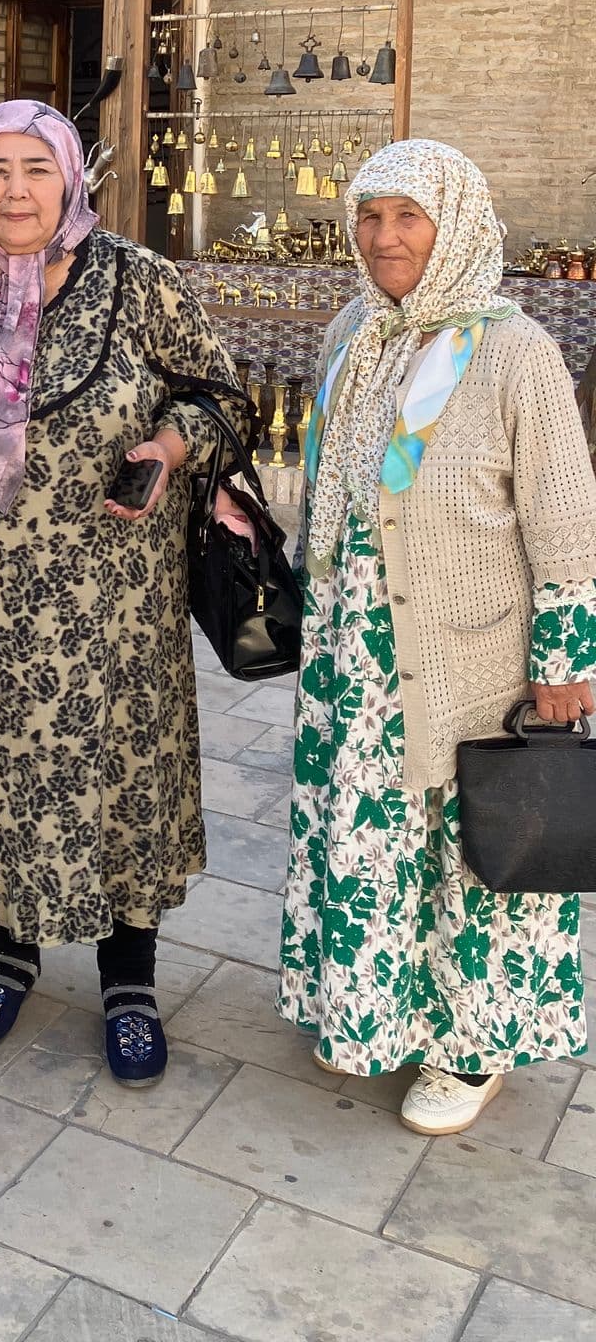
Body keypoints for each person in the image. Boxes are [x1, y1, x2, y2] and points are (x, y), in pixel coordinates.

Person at [0, 99, 252, 1086]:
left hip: (113, 596)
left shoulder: (138, 281)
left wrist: (168, 444)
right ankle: (11, 947)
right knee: (7, 760)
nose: (16, 189)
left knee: (116, 772)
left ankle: (128, 974)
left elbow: (223, 399)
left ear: (70, 179)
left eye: (37, 168)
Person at [279, 139, 596, 1135]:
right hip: (355, 664)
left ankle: (472, 1048)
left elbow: (565, 521)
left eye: (407, 216)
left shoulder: (515, 351)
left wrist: (565, 663)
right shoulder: (353, 331)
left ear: (453, 221)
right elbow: (336, 484)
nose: (384, 238)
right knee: (371, 842)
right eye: (370, 216)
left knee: (474, 856)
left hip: (469, 658)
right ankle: (372, 1008)